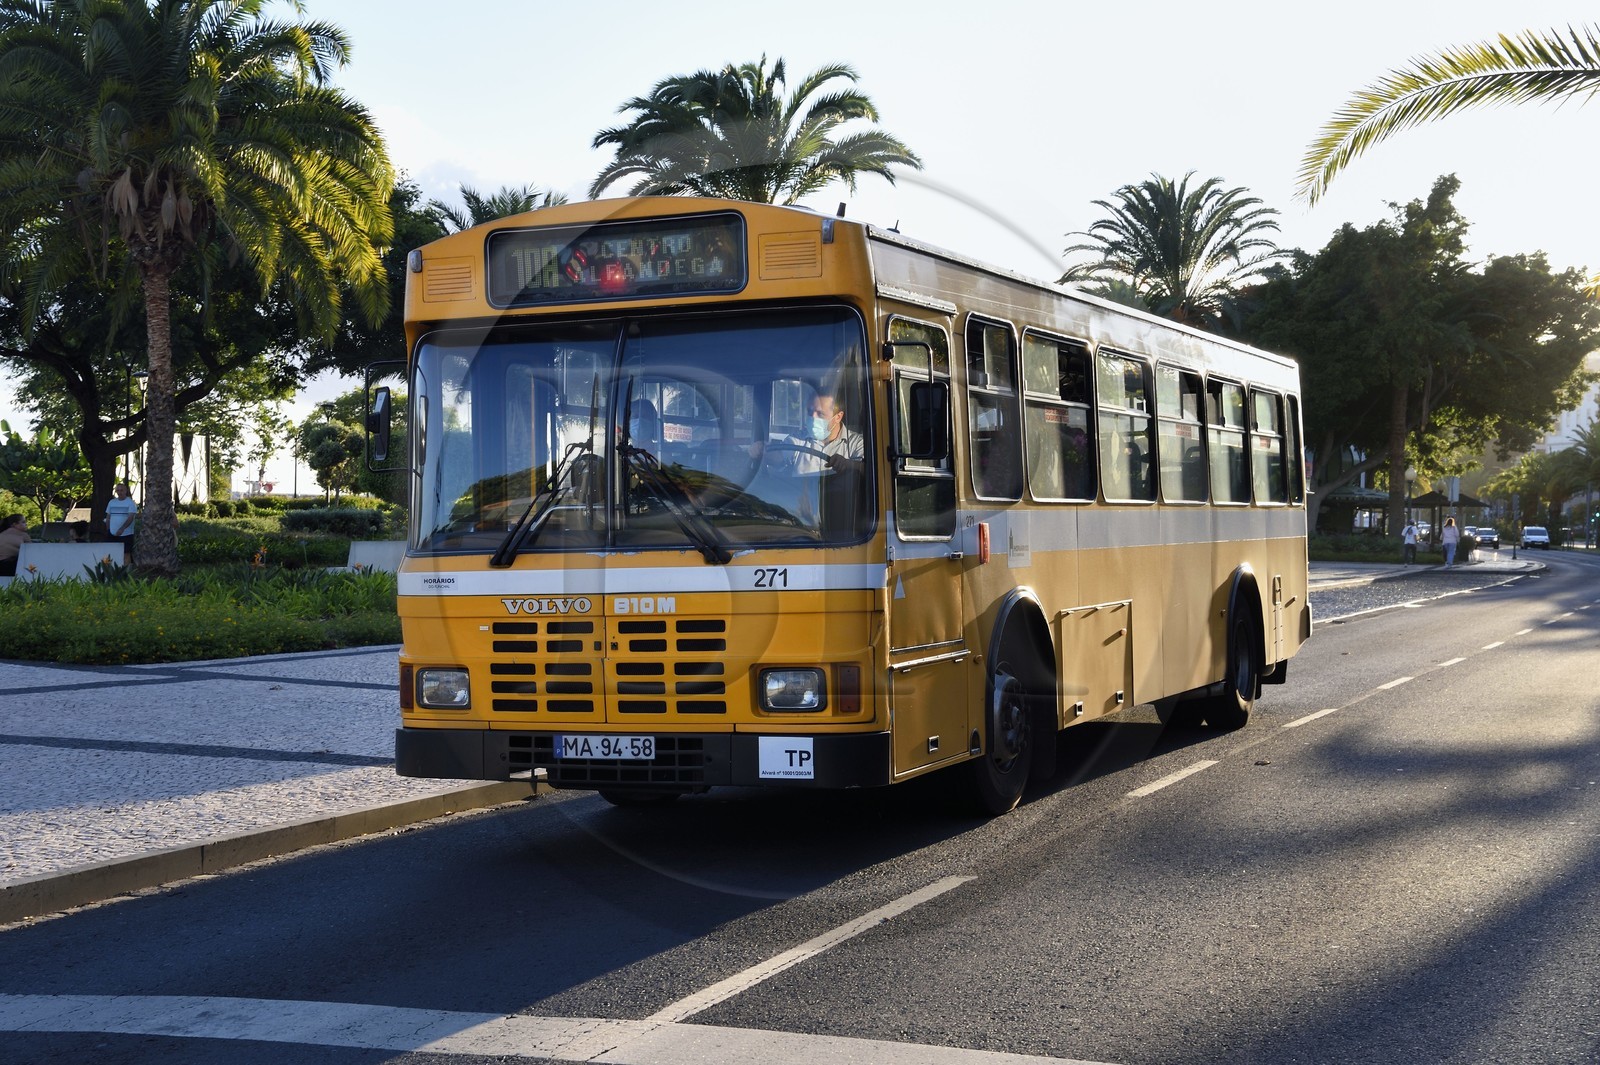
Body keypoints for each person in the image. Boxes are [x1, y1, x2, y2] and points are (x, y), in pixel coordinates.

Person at [105, 482, 138, 551]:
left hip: (126, 534)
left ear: (125, 491)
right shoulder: (112, 502)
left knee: (126, 553)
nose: (119, 492)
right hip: (112, 534)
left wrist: (122, 528)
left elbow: (130, 518)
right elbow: (108, 517)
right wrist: (108, 529)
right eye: (118, 490)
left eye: (121, 490)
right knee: (112, 552)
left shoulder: (130, 503)